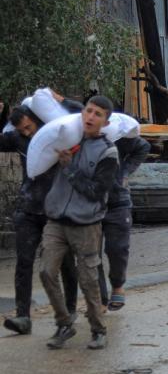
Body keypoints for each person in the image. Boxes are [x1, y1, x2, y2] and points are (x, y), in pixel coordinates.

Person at [40, 95, 119, 350]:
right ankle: (65, 323)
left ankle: (98, 328)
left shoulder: (108, 152)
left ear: (105, 123)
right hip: (56, 220)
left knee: (88, 279)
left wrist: (70, 169)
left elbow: (96, 191)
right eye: (88, 111)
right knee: (46, 271)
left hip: (86, 224)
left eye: (98, 114)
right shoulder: (66, 138)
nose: (90, 117)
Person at [1, 105, 78, 335]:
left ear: (36, 119)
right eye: (21, 129)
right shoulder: (17, 138)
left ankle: (70, 309)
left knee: (65, 262)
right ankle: (23, 316)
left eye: (28, 126)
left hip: (57, 211)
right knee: (24, 262)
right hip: (28, 209)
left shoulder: (57, 135)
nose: (26, 132)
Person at [97, 127, 150, 311]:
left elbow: (143, 146)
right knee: (90, 256)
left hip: (117, 201)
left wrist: (125, 172)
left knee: (117, 249)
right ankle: (100, 299)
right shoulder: (81, 139)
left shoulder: (118, 138)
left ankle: (117, 284)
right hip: (90, 202)